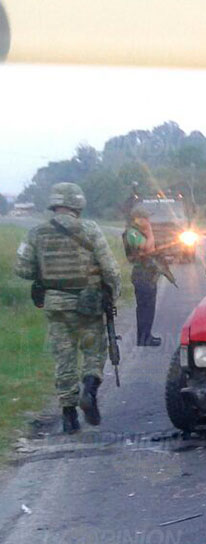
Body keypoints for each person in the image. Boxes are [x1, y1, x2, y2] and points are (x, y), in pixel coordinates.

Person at [14, 183, 121, 433]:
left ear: (55, 203)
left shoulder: (37, 233)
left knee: (64, 357)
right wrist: (113, 294)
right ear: (78, 204)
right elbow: (111, 268)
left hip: (56, 306)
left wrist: (43, 276)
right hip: (89, 305)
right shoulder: (90, 229)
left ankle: (69, 416)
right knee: (94, 351)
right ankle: (90, 391)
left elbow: (22, 269)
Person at [123, 206, 163, 346]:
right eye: (145, 218)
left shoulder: (139, 232)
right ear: (137, 219)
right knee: (145, 306)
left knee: (149, 307)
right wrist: (150, 233)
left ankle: (146, 335)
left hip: (147, 273)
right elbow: (148, 248)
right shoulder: (132, 233)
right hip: (142, 273)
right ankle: (143, 338)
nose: (148, 221)